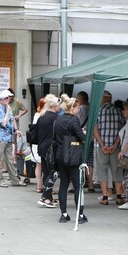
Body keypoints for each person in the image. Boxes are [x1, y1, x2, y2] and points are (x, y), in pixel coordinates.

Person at [54, 95, 88, 224]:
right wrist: (84, 133)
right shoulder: (74, 120)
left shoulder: (58, 120)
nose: (79, 110)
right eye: (77, 108)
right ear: (72, 108)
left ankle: (63, 214)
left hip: (60, 155)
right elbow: (81, 137)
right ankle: (80, 215)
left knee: (63, 184)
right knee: (77, 185)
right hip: (73, 155)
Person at [93, 90, 125, 206]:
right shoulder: (119, 111)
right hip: (115, 147)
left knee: (102, 171)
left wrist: (102, 145)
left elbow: (95, 130)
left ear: (103, 99)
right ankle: (119, 197)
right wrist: (115, 145)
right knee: (117, 171)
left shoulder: (97, 111)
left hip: (101, 147)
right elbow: (123, 130)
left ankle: (105, 197)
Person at [0, 89, 24, 188]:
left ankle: (15, 180)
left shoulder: (7, 107)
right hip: (0, 137)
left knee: (10, 160)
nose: (9, 99)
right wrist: (7, 112)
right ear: (2, 99)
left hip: (8, 137)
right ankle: (0, 180)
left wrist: (16, 129)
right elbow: (3, 123)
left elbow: (13, 119)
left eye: (9, 98)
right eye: (7, 98)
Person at [36, 94, 61, 207]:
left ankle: (49, 196)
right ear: (54, 106)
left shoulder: (42, 116)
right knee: (53, 173)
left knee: (46, 172)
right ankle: (45, 197)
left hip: (42, 147)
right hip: (51, 149)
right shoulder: (56, 118)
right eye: (59, 105)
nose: (60, 107)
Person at [75, 91, 95, 192]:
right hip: (92, 137)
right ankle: (91, 184)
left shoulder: (82, 109)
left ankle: (81, 182)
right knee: (90, 162)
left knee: (81, 161)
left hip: (82, 137)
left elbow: (77, 123)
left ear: (81, 99)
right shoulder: (92, 108)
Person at [31, 98, 46, 193]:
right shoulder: (43, 115)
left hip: (36, 142)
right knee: (44, 165)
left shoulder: (36, 114)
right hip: (42, 142)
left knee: (38, 165)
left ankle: (39, 186)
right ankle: (44, 186)